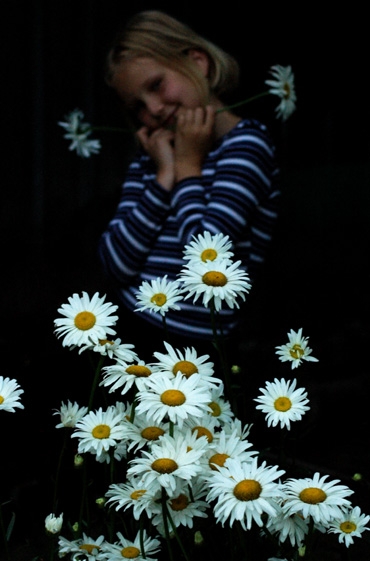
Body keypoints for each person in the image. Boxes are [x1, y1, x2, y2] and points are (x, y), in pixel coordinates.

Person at [98, 10, 280, 360]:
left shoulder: (247, 148)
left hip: (197, 349)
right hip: (128, 329)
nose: (152, 109)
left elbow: (205, 263)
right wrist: (165, 173)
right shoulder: (154, 154)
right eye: (137, 106)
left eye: (156, 85)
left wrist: (187, 167)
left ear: (198, 63)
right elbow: (114, 263)